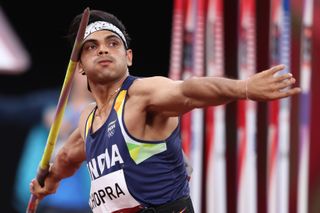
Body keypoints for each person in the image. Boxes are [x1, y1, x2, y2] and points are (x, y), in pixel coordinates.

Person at [29, 9, 301, 213]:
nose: (103, 50)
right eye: (92, 47)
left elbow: (188, 91)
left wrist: (244, 88)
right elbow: (68, 155)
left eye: (113, 43)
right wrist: (51, 180)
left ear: (129, 57)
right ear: (81, 67)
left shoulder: (141, 96)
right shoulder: (88, 118)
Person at [14, 73, 92, 213]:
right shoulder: (50, 104)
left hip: (87, 202)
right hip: (46, 202)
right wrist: (44, 115)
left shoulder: (109, 111)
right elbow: (13, 110)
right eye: (85, 72)